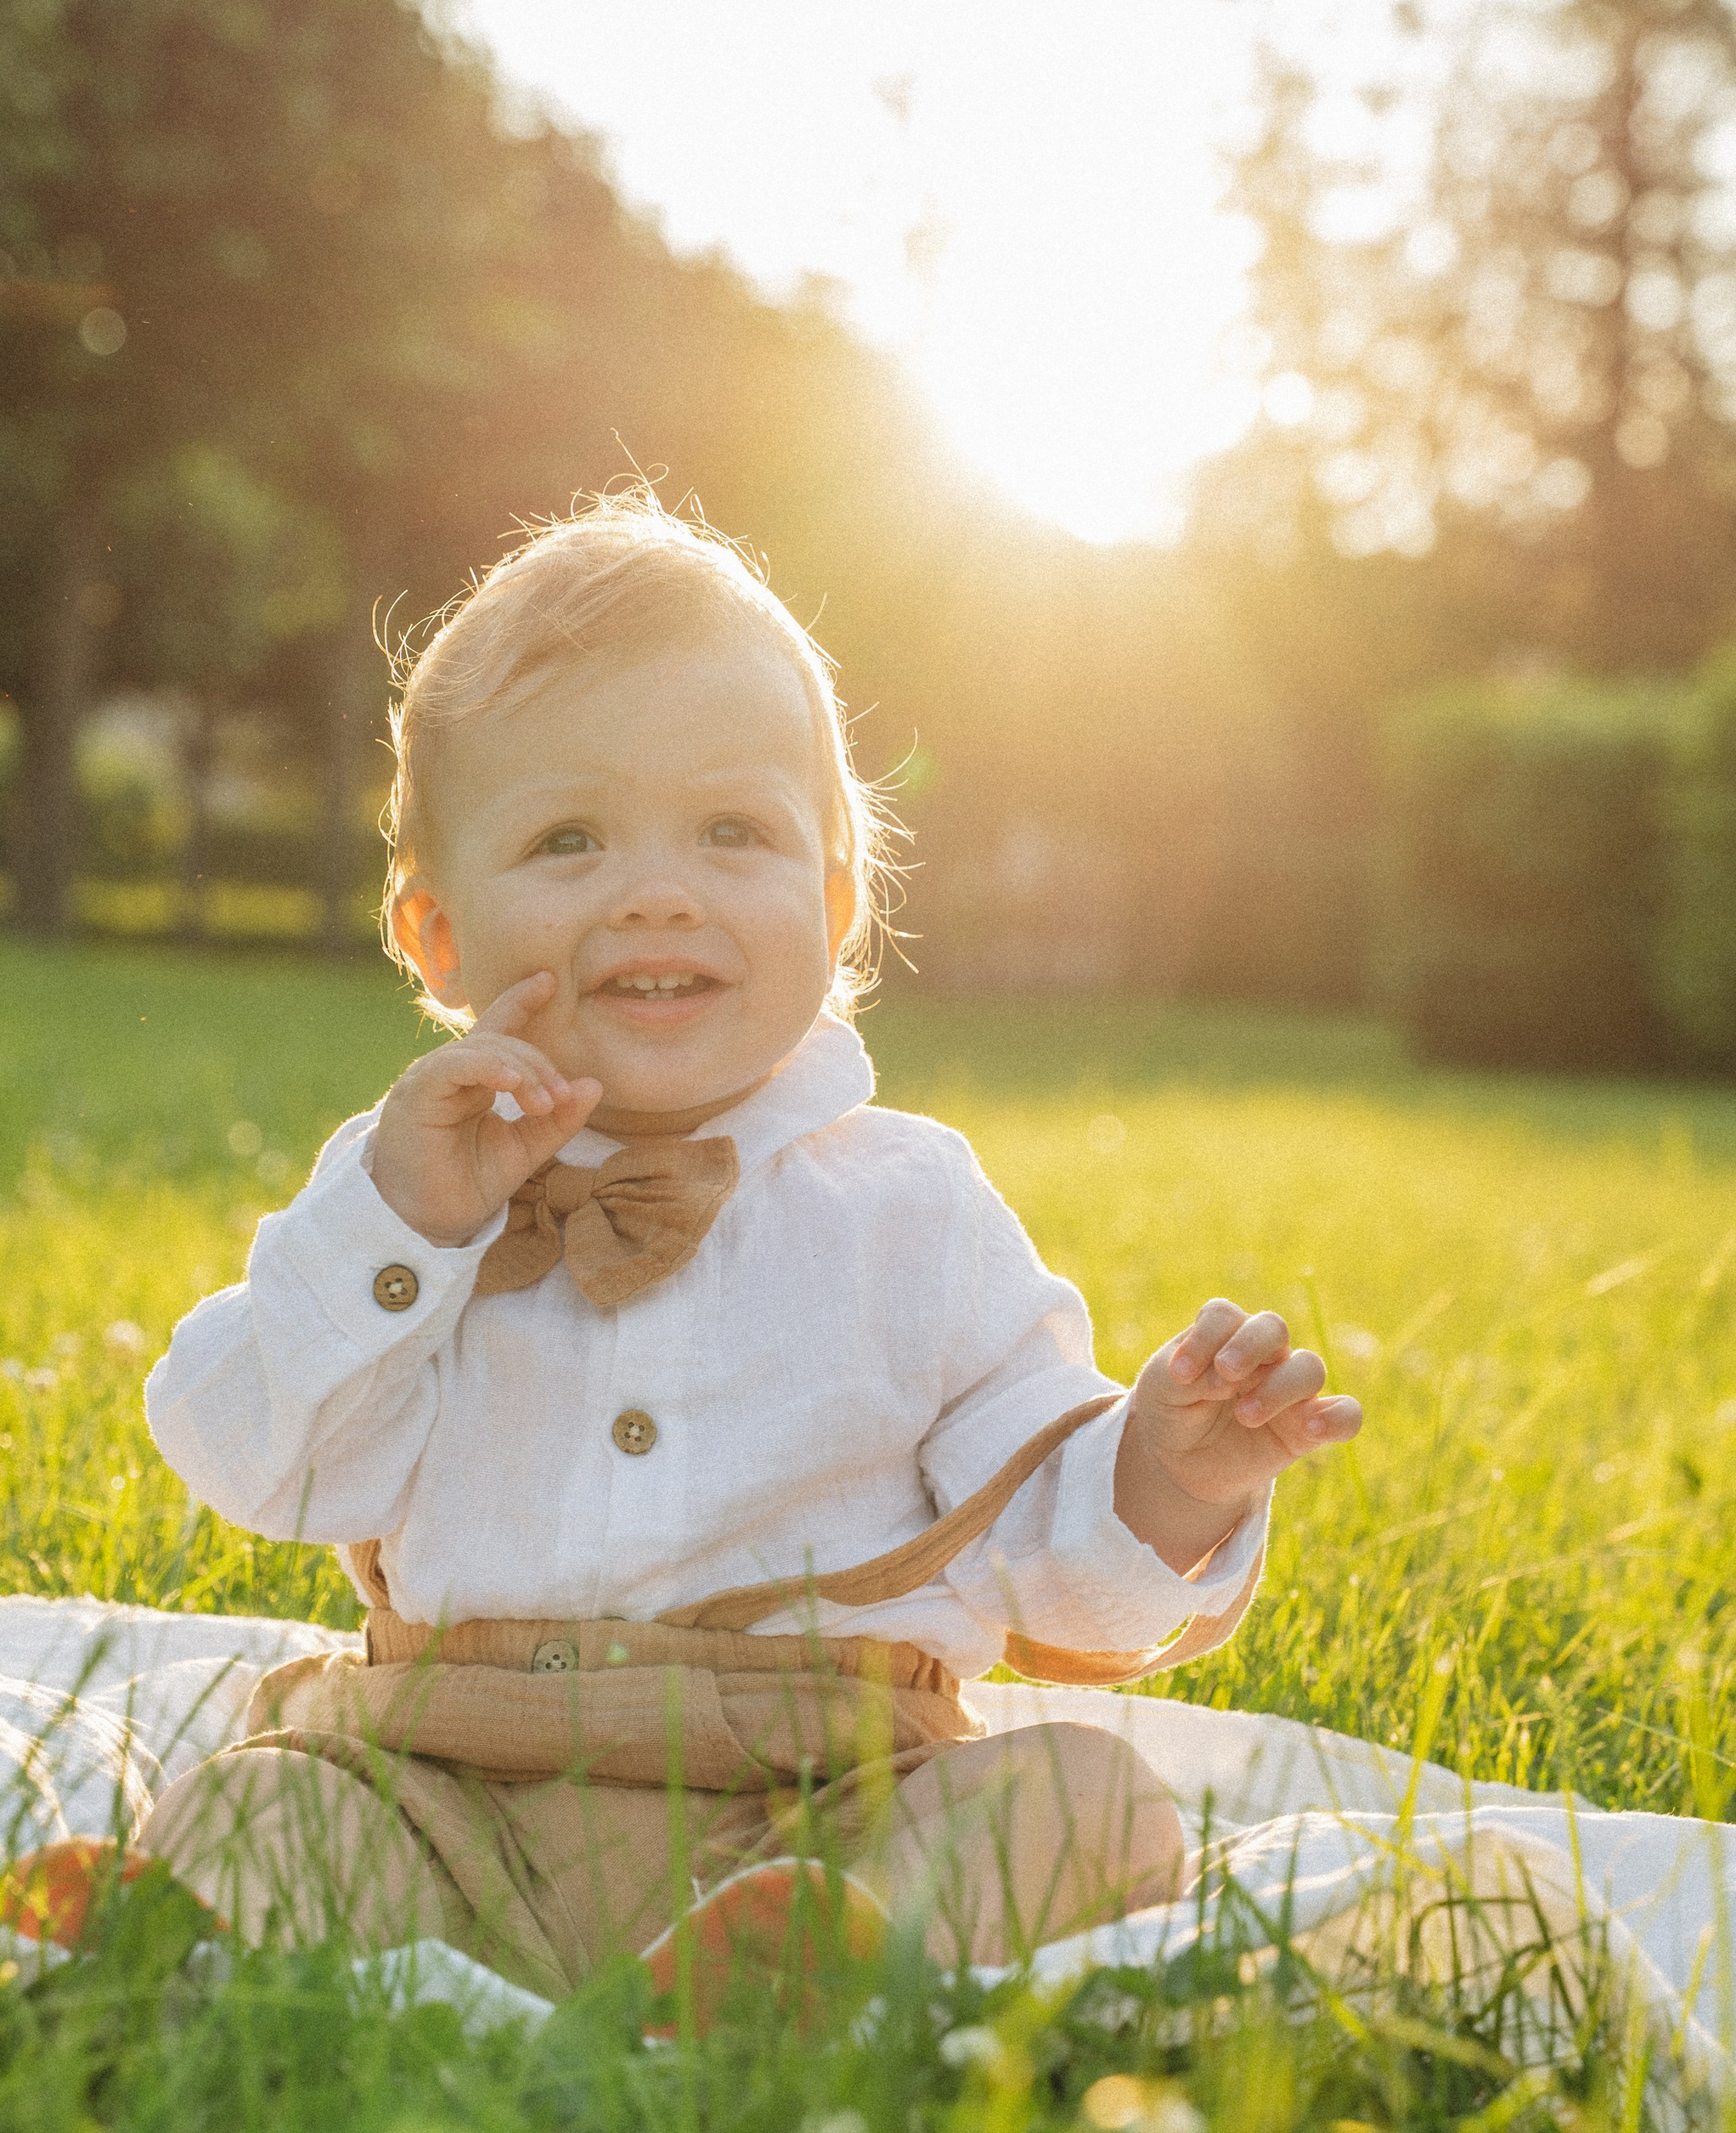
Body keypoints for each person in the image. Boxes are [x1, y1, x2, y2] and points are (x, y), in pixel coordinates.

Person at [132, 499, 1361, 2005]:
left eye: (734, 832)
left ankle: (780, 1976)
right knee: (256, 1808)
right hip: (451, 1793)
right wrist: (402, 1230)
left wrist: (1169, 1476)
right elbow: (248, 1457)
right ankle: (182, 1945)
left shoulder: (911, 1208)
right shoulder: (406, 1188)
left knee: (1090, 1808)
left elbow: (1042, 1548)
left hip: (828, 1804)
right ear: (438, 937)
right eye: (569, 839)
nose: (660, 891)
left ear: (836, 910)